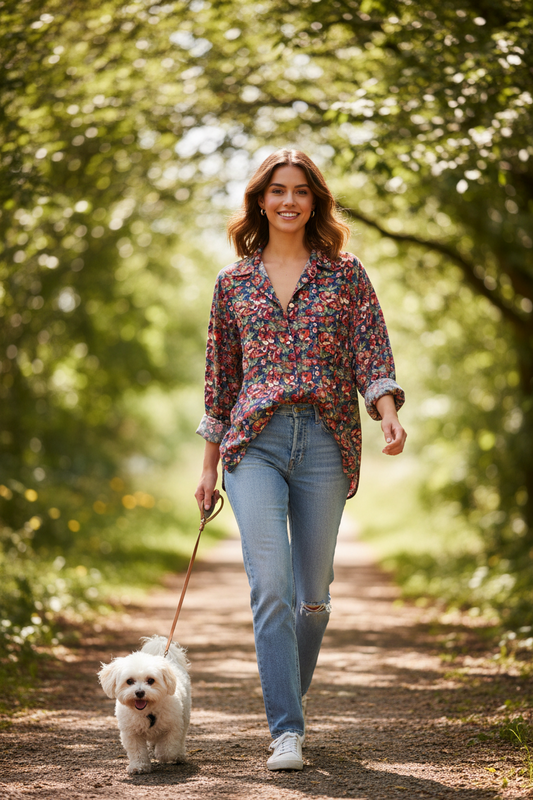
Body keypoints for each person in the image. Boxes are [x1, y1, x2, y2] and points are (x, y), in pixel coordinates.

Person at [194, 149, 406, 771]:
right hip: (251, 444)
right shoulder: (232, 283)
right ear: (260, 200)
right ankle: (285, 729)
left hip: (324, 442)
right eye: (277, 191)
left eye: (302, 192)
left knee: (313, 595)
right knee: (272, 590)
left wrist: (388, 409)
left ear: (316, 201)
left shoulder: (345, 275)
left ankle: (289, 691)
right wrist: (208, 468)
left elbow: (372, 353)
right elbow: (219, 382)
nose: (289, 201)